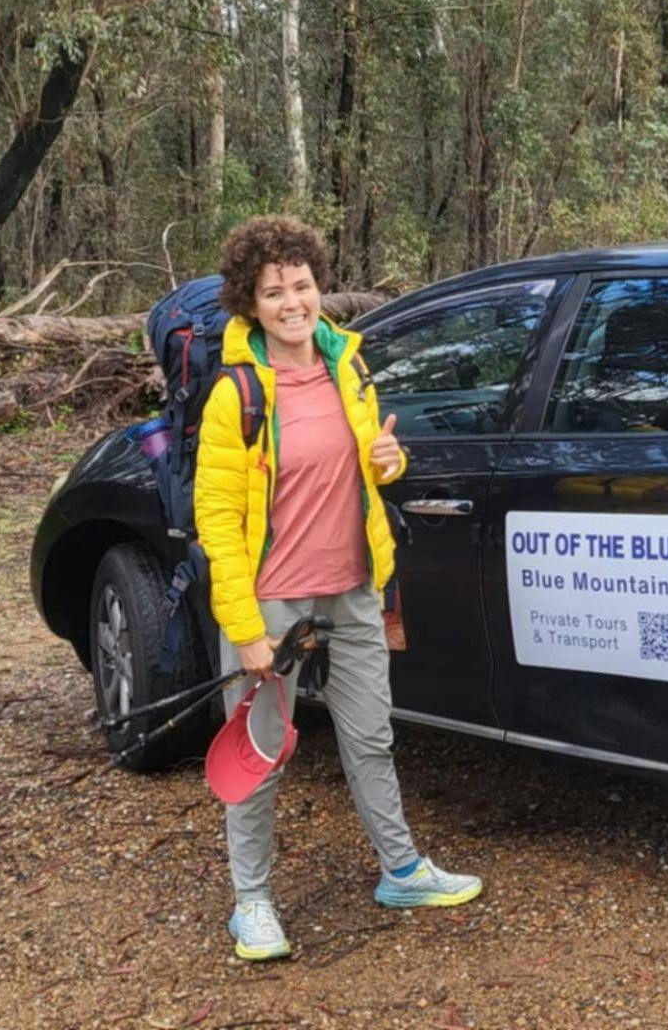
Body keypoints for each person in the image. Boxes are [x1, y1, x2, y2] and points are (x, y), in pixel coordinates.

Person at [194, 215, 482, 962]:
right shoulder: (236, 395)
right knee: (259, 757)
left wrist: (387, 460)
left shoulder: (346, 365)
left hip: (352, 586)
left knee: (371, 738)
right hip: (271, 601)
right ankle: (250, 902)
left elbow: (367, 469)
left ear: (320, 287)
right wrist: (245, 628)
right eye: (273, 291)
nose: (293, 302)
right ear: (249, 303)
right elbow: (217, 521)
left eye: (302, 285)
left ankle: (402, 871)